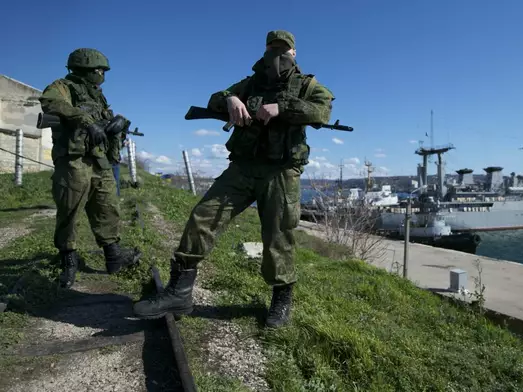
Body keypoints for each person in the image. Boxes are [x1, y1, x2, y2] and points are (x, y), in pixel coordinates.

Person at [133, 30, 335, 328]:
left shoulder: (307, 86)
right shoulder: (250, 82)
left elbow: (323, 111)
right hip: (242, 167)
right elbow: (215, 98)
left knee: (279, 235)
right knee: (203, 216)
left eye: (283, 50)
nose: (277, 56)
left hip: (280, 172)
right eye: (272, 49)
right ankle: (180, 292)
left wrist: (283, 107)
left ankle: (281, 300)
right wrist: (230, 100)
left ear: (293, 53)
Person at [39, 48, 142, 289]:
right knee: (70, 210)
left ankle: (113, 255)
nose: (102, 75)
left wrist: (118, 122)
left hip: (99, 160)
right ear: (86, 68)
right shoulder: (63, 86)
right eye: (99, 70)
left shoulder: (97, 96)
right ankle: (68, 260)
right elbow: (50, 102)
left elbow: (105, 120)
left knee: (108, 206)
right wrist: (86, 122)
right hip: (74, 160)